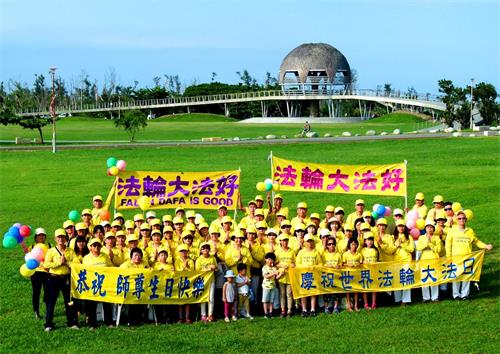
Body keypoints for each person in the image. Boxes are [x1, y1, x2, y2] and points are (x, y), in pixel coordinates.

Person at [445, 210, 493, 300]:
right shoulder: (452, 230)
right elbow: (448, 244)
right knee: (456, 277)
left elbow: (477, 241)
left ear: (466, 219)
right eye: (459, 218)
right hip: (456, 258)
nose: (461, 220)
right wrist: (449, 257)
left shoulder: (470, 231)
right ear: (456, 219)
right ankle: (456, 295)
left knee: (466, 276)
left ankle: (464, 295)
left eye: (463, 218)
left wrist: (486, 246)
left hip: (467, 257)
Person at [43, 229, 79, 331]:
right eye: (58, 237)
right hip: (54, 278)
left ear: (66, 238)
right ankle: (48, 324)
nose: (61, 239)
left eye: (63, 237)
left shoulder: (70, 251)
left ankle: (72, 322)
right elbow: (46, 264)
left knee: (69, 301)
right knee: (51, 302)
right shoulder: (51, 251)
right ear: (55, 239)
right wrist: (59, 263)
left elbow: (76, 264)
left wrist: (66, 262)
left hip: (66, 278)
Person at [82, 238, 114, 329]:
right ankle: (92, 324)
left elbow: (111, 267)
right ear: (90, 247)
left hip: (104, 284)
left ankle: (109, 322)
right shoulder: (86, 258)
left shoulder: (105, 256)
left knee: (107, 304)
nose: (96, 247)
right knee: (92, 305)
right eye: (94, 245)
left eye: (98, 245)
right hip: (92, 284)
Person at [120, 247, 148, 326]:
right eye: (135, 255)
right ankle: (131, 320)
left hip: (141, 288)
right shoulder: (126, 265)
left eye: (139, 255)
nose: (137, 257)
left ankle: (139, 319)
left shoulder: (144, 264)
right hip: (129, 289)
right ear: (131, 257)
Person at [416, 221, 442, 302]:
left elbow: (439, 249)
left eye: (431, 227)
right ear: (425, 228)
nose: (429, 229)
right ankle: (426, 297)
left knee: (434, 278)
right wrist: (426, 244)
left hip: (434, 260)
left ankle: (435, 297)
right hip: (424, 260)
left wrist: (430, 244)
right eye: (428, 227)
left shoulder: (436, 238)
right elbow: (419, 248)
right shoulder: (421, 238)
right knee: (424, 279)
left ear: (433, 229)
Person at [296, 235, 321, 317]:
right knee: (304, 293)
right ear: (304, 242)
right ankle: (304, 309)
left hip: (314, 275)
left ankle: (313, 309)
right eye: (308, 241)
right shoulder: (301, 252)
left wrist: (314, 267)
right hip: (304, 275)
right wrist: (305, 267)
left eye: (311, 241)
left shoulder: (316, 252)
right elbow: (297, 264)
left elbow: (320, 264)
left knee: (313, 293)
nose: (309, 243)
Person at [29, 228, 51, 320]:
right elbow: (29, 260)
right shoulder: (32, 247)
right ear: (35, 237)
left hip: (47, 272)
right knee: (36, 292)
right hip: (36, 272)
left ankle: (48, 310)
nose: (41, 237)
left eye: (43, 235)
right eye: (39, 235)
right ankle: (36, 311)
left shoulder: (49, 246)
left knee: (48, 292)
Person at [393, 220, 414, 305]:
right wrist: (396, 245)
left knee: (406, 279)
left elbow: (411, 249)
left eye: (402, 226)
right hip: (397, 261)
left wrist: (402, 245)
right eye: (399, 226)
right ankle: (397, 299)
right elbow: (391, 249)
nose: (401, 228)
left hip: (407, 260)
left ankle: (405, 300)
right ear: (396, 227)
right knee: (397, 280)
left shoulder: (409, 237)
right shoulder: (393, 237)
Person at [195, 242, 217, 322]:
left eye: (207, 248)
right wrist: (208, 268)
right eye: (203, 248)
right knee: (203, 297)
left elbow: (216, 268)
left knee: (211, 297)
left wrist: (214, 268)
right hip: (202, 281)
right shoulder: (199, 259)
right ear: (200, 250)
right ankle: (203, 315)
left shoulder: (212, 258)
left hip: (211, 280)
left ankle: (210, 314)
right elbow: (197, 271)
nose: (205, 250)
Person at [275, 234, 296, 318]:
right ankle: (283, 310)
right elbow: (275, 263)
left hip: (290, 275)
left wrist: (291, 265)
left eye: (286, 240)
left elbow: (295, 263)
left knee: (289, 293)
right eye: (283, 240)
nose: (284, 242)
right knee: (282, 294)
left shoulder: (292, 251)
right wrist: (282, 266)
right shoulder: (277, 251)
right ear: (280, 242)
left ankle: (289, 310)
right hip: (281, 275)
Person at [321, 237, 341, 314]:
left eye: (333, 244)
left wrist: (338, 266)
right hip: (326, 275)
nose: (331, 245)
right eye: (329, 244)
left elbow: (341, 264)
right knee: (326, 293)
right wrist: (327, 265)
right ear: (327, 246)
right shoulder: (324, 255)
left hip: (336, 275)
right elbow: (321, 264)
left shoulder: (338, 254)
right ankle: (326, 308)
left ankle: (335, 307)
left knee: (336, 292)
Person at [174, 244, 194, 323]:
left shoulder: (191, 261)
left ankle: (187, 317)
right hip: (179, 281)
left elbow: (192, 271)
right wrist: (184, 267)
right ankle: (180, 317)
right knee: (180, 300)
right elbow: (177, 271)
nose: (183, 253)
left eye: (185, 251)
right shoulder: (177, 261)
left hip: (189, 281)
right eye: (182, 251)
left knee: (187, 299)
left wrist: (186, 268)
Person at [342, 238, 363, 312]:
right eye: (352, 244)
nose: (354, 246)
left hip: (356, 274)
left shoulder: (359, 254)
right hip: (348, 274)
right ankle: (349, 306)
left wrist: (359, 264)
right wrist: (347, 264)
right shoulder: (345, 254)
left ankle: (356, 305)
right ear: (349, 245)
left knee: (356, 290)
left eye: (355, 244)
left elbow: (361, 263)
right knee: (348, 290)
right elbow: (343, 264)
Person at [361, 232, 378, 309]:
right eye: (368, 240)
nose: (370, 242)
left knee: (374, 288)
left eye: (371, 240)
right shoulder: (362, 250)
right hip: (365, 271)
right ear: (365, 241)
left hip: (374, 271)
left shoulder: (375, 250)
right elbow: (360, 260)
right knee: (365, 287)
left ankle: (374, 303)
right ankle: (366, 303)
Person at [262, 252, 279, 318]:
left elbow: (276, 277)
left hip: (273, 286)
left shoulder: (274, 268)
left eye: (271, 259)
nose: (270, 261)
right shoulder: (264, 268)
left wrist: (279, 273)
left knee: (271, 300)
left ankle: (271, 312)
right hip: (266, 287)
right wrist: (274, 273)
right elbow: (266, 276)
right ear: (265, 260)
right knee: (265, 300)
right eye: (268, 259)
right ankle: (266, 313)